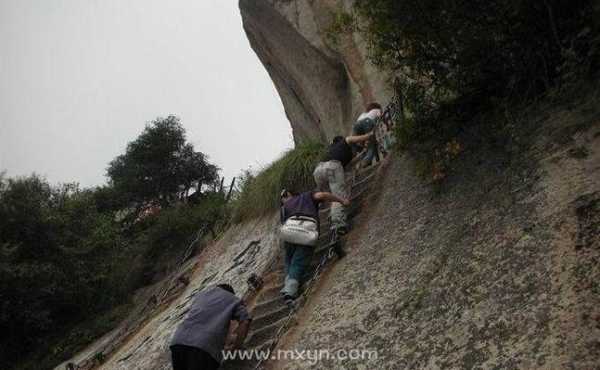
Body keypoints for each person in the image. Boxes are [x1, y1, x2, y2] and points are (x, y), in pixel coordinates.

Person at [279, 190, 350, 301]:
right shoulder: (307, 196)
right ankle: (290, 291)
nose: (282, 199)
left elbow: (283, 223)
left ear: (289, 195)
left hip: (289, 233)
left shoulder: (285, 206)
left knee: (289, 259)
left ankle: (290, 286)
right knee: (298, 261)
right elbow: (323, 195)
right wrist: (341, 200)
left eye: (283, 196)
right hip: (306, 231)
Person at [170, 284, 251, 370]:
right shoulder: (234, 300)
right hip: (204, 348)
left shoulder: (200, 295)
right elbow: (245, 321)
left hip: (178, 341)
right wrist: (237, 346)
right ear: (230, 293)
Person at [313, 132, 373, 235]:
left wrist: (363, 152)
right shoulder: (344, 142)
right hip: (332, 167)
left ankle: (333, 216)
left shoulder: (332, 151)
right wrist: (369, 135)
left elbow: (350, 163)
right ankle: (338, 225)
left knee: (332, 197)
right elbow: (352, 139)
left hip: (318, 171)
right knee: (339, 196)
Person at [353, 102, 383, 166]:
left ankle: (367, 162)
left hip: (357, 125)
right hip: (367, 122)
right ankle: (365, 162)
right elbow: (380, 118)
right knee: (371, 145)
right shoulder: (377, 110)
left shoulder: (364, 113)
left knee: (364, 146)